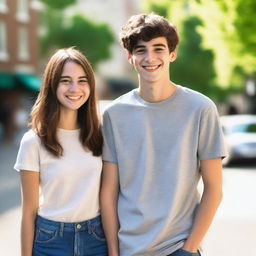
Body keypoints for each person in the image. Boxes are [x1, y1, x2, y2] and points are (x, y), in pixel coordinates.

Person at [100, 13, 226, 256]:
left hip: (178, 248)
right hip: (128, 250)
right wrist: (114, 252)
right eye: (140, 50)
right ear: (130, 57)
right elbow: (109, 192)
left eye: (158, 48)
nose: (150, 58)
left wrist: (188, 250)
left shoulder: (200, 108)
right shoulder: (114, 114)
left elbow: (214, 188)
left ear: (172, 54)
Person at [14, 48, 108, 256]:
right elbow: (29, 211)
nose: (75, 88)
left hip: (96, 238)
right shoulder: (33, 142)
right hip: (50, 239)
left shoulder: (101, 137)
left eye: (82, 80)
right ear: (52, 85)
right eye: (66, 80)